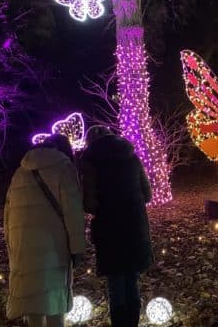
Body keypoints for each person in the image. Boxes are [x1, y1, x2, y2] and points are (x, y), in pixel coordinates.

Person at [4, 134, 85, 327]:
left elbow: (8, 215)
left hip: (22, 245)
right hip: (53, 247)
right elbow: (73, 212)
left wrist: (12, 248)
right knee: (54, 300)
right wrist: (77, 248)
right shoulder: (64, 169)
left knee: (33, 300)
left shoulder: (19, 172)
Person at [80, 125, 153, 327]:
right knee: (131, 277)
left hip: (109, 228)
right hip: (134, 225)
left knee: (115, 281)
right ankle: (133, 322)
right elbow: (147, 195)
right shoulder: (131, 156)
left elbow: (89, 204)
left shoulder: (90, 161)